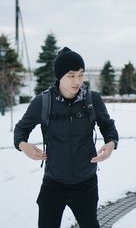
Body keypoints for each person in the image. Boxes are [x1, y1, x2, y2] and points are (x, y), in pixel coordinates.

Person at [14, 47, 119, 228]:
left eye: (80, 74)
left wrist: (111, 144)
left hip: (86, 184)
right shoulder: (43, 102)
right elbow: (20, 130)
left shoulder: (92, 100)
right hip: (53, 184)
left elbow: (108, 126)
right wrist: (23, 145)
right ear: (59, 76)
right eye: (71, 75)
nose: (77, 80)